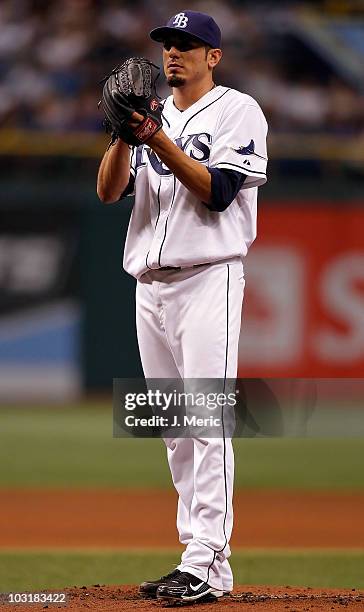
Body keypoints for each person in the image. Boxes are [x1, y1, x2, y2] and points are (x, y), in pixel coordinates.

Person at [97, 10, 268, 605]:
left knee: (207, 419)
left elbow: (219, 193)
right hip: (150, 285)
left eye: (188, 44)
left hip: (208, 280)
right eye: (168, 44)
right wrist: (124, 132)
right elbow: (108, 191)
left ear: (212, 56)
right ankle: (192, 554)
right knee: (174, 427)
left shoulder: (238, 110)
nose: (174, 53)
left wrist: (156, 138)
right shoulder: (151, 116)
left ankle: (210, 565)